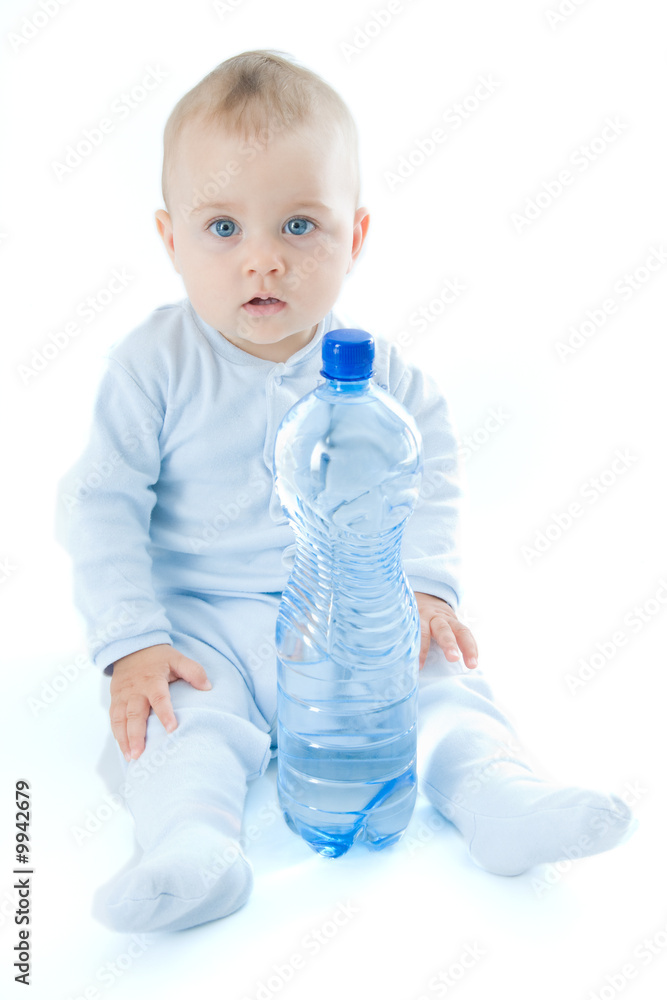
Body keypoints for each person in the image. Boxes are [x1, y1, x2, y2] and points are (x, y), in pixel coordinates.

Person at [55, 49, 634, 934]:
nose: (262, 263)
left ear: (353, 239)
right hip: (200, 625)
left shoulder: (383, 378)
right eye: (222, 229)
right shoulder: (152, 366)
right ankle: (192, 848)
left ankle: (499, 799)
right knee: (181, 731)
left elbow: (431, 476)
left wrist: (426, 588)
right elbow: (100, 503)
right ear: (169, 239)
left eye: (298, 227)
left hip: (348, 613)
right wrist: (131, 640)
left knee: (440, 686)